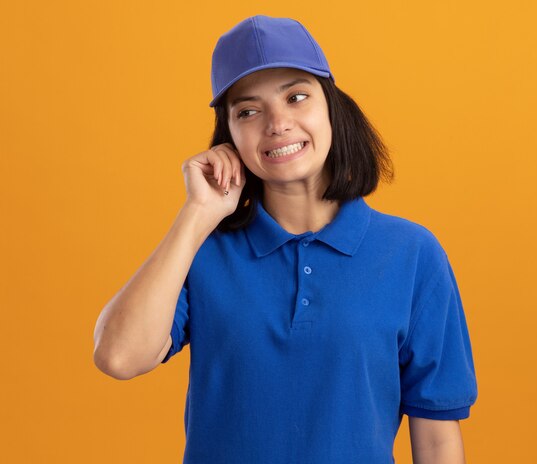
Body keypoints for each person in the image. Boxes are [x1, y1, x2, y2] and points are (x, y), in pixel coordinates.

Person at [93, 14, 478, 464]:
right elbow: (118, 357)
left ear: (332, 107)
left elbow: (435, 435)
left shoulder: (412, 254)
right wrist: (197, 215)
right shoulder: (202, 251)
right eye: (248, 111)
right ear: (229, 135)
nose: (277, 123)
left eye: (296, 97)